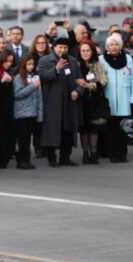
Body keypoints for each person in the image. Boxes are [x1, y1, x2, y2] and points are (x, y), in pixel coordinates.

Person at [37, 37, 84, 167]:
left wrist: (78, 91)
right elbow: (42, 77)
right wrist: (56, 69)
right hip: (52, 102)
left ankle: (65, 157)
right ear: (54, 47)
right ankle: (51, 158)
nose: (62, 50)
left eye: (65, 48)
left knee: (68, 131)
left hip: (69, 102)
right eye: (60, 47)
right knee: (51, 131)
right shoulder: (45, 60)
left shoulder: (73, 61)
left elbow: (80, 80)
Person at [99, 34, 133, 163]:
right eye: (111, 44)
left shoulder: (128, 59)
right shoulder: (101, 60)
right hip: (109, 99)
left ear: (121, 46)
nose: (114, 47)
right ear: (107, 46)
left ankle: (122, 154)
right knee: (111, 129)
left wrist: (132, 99)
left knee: (123, 128)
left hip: (124, 100)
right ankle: (112, 154)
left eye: (116, 44)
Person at [75, 40, 108, 165]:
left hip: (94, 100)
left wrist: (89, 85)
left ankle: (94, 154)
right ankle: (85, 154)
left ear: (92, 51)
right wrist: (79, 84)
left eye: (88, 50)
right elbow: (72, 80)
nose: (85, 53)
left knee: (94, 128)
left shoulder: (97, 64)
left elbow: (103, 81)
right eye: (83, 50)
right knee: (83, 129)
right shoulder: (75, 64)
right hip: (80, 101)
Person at [13, 55, 42, 169]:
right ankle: (21, 161)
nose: (31, 67)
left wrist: (39, 112)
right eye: (28, 64)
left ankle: (27, 159)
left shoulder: (33, 76)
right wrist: (32, 86)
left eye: (32, 64)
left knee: (28, 137)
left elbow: (39, 96)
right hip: (21, 113)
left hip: (32, 112)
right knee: (22, 138)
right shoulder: (19, 78)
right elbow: (18, 94)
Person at [29, 35, 50, 158]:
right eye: (38, 43)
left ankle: (46, 146)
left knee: (47, 121)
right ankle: (37, 147)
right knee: (37, 122)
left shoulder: (50, 57)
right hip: (35, 92)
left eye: (43, 42)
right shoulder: (31, 57)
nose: (41, 45)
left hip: (48, 91)